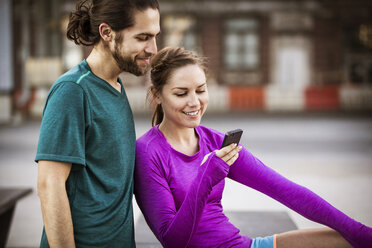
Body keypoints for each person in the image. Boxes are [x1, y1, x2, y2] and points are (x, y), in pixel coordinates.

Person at [134, 47, 372, 248]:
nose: (195, 102)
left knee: (347, 238)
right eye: (181, 93)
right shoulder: (148, 152)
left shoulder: (216, 143)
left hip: (246, 245)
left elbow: (287, 191)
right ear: (157, 94)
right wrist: (205, 178)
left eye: (201, 90)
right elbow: (174, 241)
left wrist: (359, 231)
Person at [35, 0, 160, 247]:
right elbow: (50, 185)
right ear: (107, 33)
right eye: (143, 37)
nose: (153, 48)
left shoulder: (115, 84)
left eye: (155, 36)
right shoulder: (73, 90)